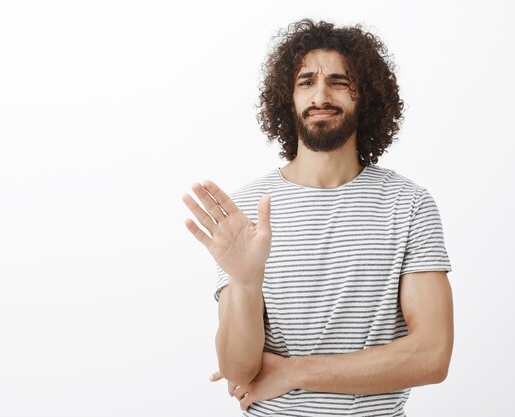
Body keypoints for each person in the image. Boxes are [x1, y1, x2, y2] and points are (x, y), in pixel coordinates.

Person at [181, 18, 453, 417]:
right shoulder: (247, 210)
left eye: (339, 82)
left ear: (367, 98)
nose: (320, 95)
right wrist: (244, 281)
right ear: (287, 98)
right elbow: (238, 370)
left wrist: (295, 372)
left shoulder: (408, 204)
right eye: (306, 82)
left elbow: (431, 356)